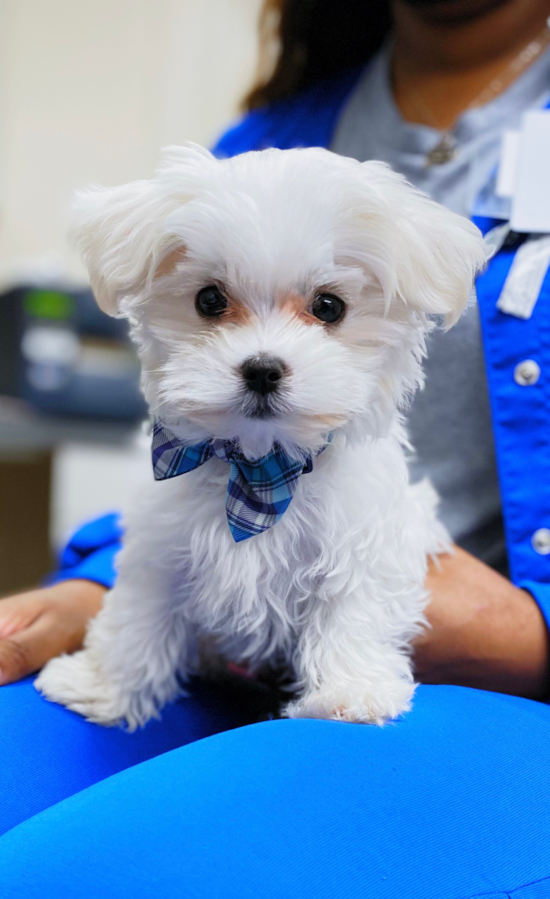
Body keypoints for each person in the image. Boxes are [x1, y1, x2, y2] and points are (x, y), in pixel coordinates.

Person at [1, 1, 549, 894]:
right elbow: (162, 544)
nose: (263, 351)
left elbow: (360, 573)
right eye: (215, 304)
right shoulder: (266, 133)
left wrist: (532, 631)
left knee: (73, 874)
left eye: (324, 309)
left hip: (494, 689)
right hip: (214, 663)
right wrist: (95, 591)